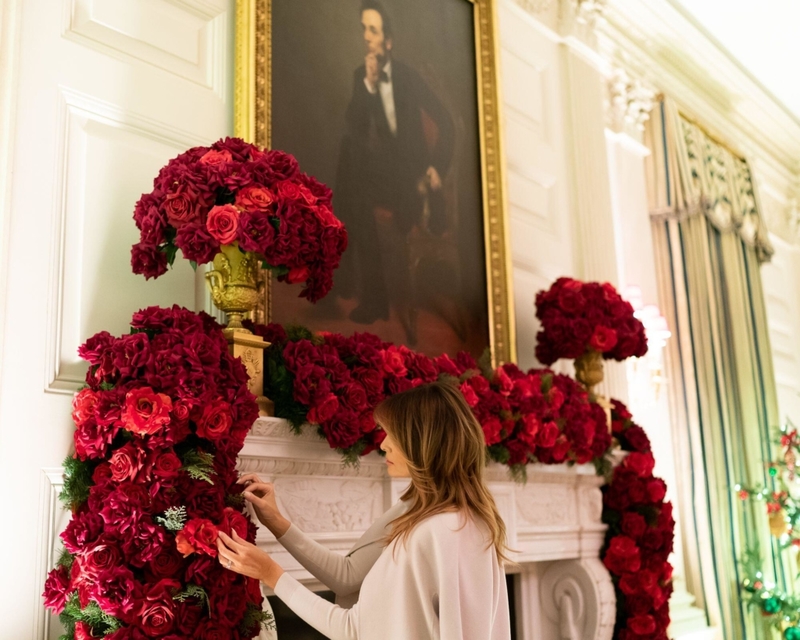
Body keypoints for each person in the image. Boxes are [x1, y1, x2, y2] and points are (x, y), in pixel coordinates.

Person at [218, 381, 512, 640]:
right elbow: (349, 577)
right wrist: (278, 523)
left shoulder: (425, 534)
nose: (383, 445)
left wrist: (270, 573)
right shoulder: (474, 522)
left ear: (420, 443)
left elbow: (354, 630)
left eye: (391, 434)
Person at [334, 0, 455, 341]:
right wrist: (369, 86)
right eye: (364, 30)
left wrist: (437, 168)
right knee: (350, 159)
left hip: (414, 179)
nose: (366, 37)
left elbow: (446, 124)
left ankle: (349, 281)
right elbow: (355, 126)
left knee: (353, 182)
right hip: (387, 176)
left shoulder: (408, 77)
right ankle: (372, 297)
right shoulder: (363, 75)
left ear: (388, 41)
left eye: (373, 31)